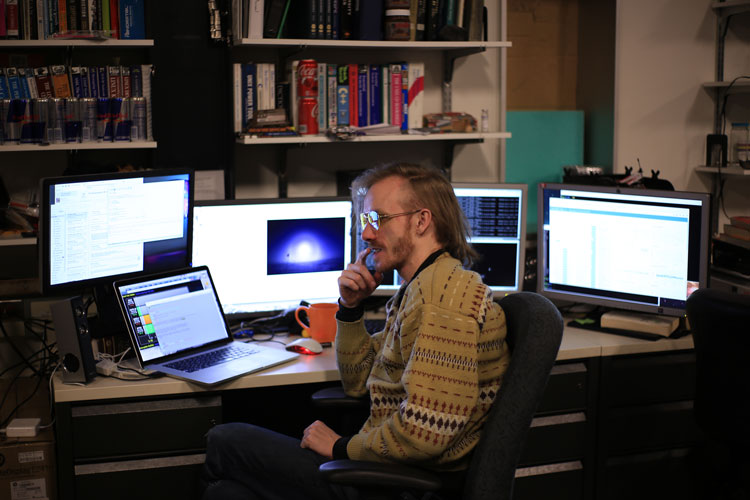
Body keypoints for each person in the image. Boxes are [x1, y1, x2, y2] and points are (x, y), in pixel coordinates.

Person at [201, 163, 511, 500]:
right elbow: (358, 381)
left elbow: (426, 431)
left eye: (378, 219)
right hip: (389, 466)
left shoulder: (443, 299)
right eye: (366, 221)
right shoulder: (421, 288)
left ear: (421, 221)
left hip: (400, 483)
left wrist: (341, 447)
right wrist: (350, 308)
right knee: (226, 494)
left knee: (224, 440)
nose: (366, 234)